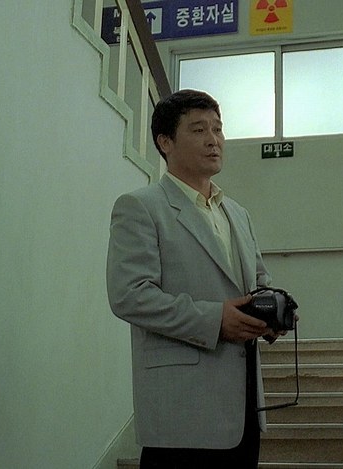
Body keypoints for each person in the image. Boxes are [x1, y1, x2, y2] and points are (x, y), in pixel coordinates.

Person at [106, 89, 275, 469]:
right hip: (181, 411)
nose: (214, 140)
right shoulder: (140, 207)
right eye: (199, 130)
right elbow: (129, 295)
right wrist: (215, 319)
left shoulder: (237, 213)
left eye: (218, 129)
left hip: (242, 409)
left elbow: (258, 281)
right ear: (165, 142)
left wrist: (269, 312)